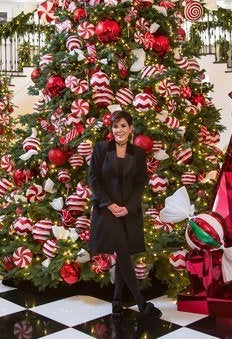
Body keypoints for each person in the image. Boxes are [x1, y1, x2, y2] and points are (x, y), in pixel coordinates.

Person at [88, 110, 162, 319]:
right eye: (115, 126)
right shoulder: (101, 148)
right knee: (122, 248)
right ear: (111, 130)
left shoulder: (138, 153)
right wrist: (110, 204)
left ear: (130, 128)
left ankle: (117, 301)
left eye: (123, 126)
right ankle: (141, 303)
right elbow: (94, 179)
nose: (118, 130)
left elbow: (140, 183)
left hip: (128, 211)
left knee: (123, 253)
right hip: (107, 210)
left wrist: (128, 207)